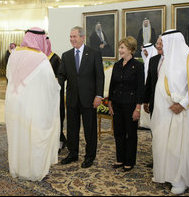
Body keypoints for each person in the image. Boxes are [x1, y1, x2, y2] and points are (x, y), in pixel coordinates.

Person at [151, 29, 189, 195]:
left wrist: (182, 104)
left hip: (183, 113)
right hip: (167, 112)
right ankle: (167, 174)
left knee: (180, 147)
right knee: (166, 145)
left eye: (164, 43)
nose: (161, 47)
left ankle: (180, 179)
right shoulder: (167, 60)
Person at [5, 27, 60, 181]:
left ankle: (18, 168)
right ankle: (35, 171)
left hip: (14, 104)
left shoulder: (14, 54)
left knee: (18, 135)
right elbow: (50, 85)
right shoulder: (41, 59)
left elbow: (9, 76)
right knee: (35, 136)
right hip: (34, 106)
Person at [58, 26, 104, 168]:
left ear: (82, 38)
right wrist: (54, 84)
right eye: (71, 37)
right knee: (72, 128)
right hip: (72, 99)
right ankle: (73, 154)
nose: (72, 39)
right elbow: (61, 75)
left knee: (90, 129)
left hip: (89, 99)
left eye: (75, 36)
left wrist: (99, 95)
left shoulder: (94, 54)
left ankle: (89, 156)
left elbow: (99, 77)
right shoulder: (66, 55)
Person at [107, 36, 144, 172]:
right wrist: (110, 102)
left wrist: (138, 108)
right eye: (119, 47)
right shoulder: (117, 65)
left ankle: (129, 161)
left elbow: (141, 89)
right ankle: (120, 159)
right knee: (118, 132)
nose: (120, 50)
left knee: (130, 134)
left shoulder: (138, 66)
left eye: (122, 47)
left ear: (130, 49)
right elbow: (112, 85)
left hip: (131, 105)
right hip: (116, 103)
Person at [45, 36, 66, 152]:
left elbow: (61, 78)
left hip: (55, 95)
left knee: (56, 118)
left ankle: (59, 141)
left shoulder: (55, 58)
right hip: (44, 96)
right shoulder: (40, 58)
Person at [138, 42, 158, 129]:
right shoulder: (146, 61)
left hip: (152, 87)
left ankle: (150, 124)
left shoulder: (154, 60)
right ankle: (144, 124)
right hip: (145, 86)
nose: (145, 53)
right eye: (144, 51)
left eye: (146, 51)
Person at [143, 37, 163, 117]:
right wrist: (146, 101)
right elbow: (149, 81)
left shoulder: (173, 61)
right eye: (157, 44)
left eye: (161, 44)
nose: (158, 46)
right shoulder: (153, 60)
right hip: (154, 101)